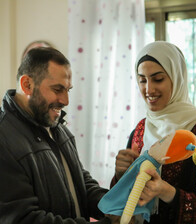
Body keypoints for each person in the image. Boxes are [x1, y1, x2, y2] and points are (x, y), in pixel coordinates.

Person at [111, 41, 196, 223]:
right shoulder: (140, 130)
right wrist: (120, 174)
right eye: (142, 80)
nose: (148, 89)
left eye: (158, 79)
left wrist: (166, 191)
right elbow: (122, 202)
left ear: (176, 78)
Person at [0, 47, 117, 224]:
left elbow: (80, 183)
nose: (65, 101)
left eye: (67, 90)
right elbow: (23, 218)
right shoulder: (4, 139)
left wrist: (115, 206)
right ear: (27, 85)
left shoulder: (55, 125)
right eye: (57, 89)